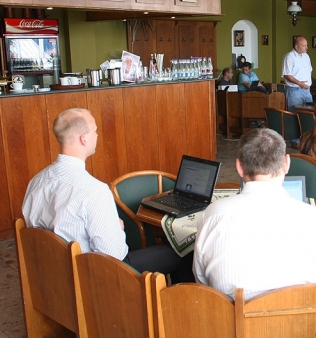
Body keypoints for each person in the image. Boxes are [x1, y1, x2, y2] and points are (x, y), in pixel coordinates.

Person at [22, 108, 193, 281]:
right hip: (94, 276)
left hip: (52, 272)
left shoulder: (37, 181)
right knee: (185, 250)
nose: (97, 135)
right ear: (83, 139)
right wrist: (118, 230)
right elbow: (115, 256)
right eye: (95, 131)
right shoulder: (94, 191)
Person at [193, 128, 316, 300]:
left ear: (239, 167)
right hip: (301, 314)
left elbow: (201, 281)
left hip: (230, 316)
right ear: (286, 163)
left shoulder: (212, 215)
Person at [282, 36, 313, 113]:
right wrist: (300, 83)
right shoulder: (289, 57)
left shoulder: (306, 56)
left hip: (307, 90)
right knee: (295, 114)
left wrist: (309, 82)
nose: (307, 47)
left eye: (306, 45)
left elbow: (309, 70)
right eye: (304, 46)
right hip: (295, 91)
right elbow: (287, 74)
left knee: (310, 113)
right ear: (296, 47)